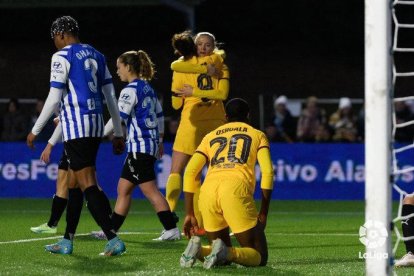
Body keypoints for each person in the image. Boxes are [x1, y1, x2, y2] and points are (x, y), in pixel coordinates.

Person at [26, 15, 125, 256]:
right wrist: (118, 133)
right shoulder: (98, 56)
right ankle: (67, 240)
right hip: (94, 125)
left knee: (87, 182)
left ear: (61, 35)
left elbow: (54, 97)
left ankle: (113, 238)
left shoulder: (61, 56)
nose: (54, 43)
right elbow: (110, 97)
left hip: (76, 127)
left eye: (54, 38)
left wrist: (36, 130)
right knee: (73, 185)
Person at [91, 49, 180, 241]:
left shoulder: (130, 90)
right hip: (146, 146)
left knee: (150, 191)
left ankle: (171, 228)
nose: (117, 71)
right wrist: (160, 140)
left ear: (128, 67)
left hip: (140, 147)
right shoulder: (148, 88)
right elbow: (159, 116)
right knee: (124, 189)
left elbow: (118, 117)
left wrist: (96, 135)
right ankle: (111, 230)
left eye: (119, 67)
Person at [180, 98, 274, 269]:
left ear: (225, 116)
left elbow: (190, 172)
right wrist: (264, 212)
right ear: (248, 116)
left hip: (208, 191)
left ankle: (200, 251)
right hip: (235, 188)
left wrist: (190, 213)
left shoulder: (210, 136)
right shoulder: (257, 134)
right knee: (259, 256)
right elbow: (268, 172)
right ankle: (226, 252)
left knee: (220, 258)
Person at [165, 31, 229, 229]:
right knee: (211, 175)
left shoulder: (182, 66)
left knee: (177, 171)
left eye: (207, 44)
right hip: (216, 124)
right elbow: (223, 94)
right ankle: (206, 223)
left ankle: (168, 223)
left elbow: (176, 104)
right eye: (200, 44)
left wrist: (190, 92)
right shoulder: (220, 64)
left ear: (212, 46)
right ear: (195, 45)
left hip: (191, 124)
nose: (203, 47)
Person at [30, 120, 70, 234]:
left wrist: (49, 145)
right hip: (73, 144)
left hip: (75, 144)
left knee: (89, 186)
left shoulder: (70, 103)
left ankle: (110, 226)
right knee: (63, 186)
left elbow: (63, 120)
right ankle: (51, 225)